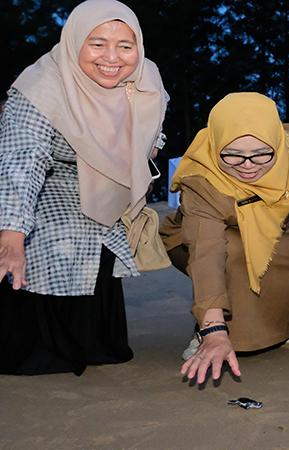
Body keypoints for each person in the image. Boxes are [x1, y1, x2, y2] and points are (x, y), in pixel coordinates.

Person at [0, 0, 168, 375]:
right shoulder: (41, 86)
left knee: (104, 236)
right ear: (76, 41)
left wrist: (147, 147)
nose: (112, 57)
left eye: (125, 46)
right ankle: (38, 348)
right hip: (46, 176)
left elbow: (154, 129)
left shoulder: (147, 80)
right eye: (97, 43)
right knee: (58, 233)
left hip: (109, 182)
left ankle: (96, 342)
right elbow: (20, 162)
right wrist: (11, 236)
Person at [161, 93, 289, 384]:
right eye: (232, 155)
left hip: (268, 232)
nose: (247, 165)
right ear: (216, 145)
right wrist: (213, 330)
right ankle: (207, 330)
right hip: (194, 240)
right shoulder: (200, 179)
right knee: (234, 248)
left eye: (261, 154)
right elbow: (207, 253)